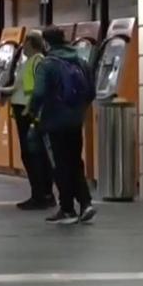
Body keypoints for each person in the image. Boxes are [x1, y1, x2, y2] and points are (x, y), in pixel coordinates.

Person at [30, 26, 96, 226]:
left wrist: (34, 113)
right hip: (76, 121)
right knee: (75, 161)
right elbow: (91, 92)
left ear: (47, 43)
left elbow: (39, 93)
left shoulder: (47, 64)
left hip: (53, 122)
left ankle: (67, 208)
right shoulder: (81, 61)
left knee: (59, 164)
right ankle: (85, 203)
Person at [0, 33, 53, 210]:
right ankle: (41, 194)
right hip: (22, 110)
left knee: (34, 154)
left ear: (32, 44)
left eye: (25, 43)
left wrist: (32, 109)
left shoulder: (38, 61)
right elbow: (18, 87)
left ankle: (41, 195)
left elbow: (38, 88)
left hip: (29, 111)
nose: (22, 46)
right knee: (32, 153)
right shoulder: (26, 63)